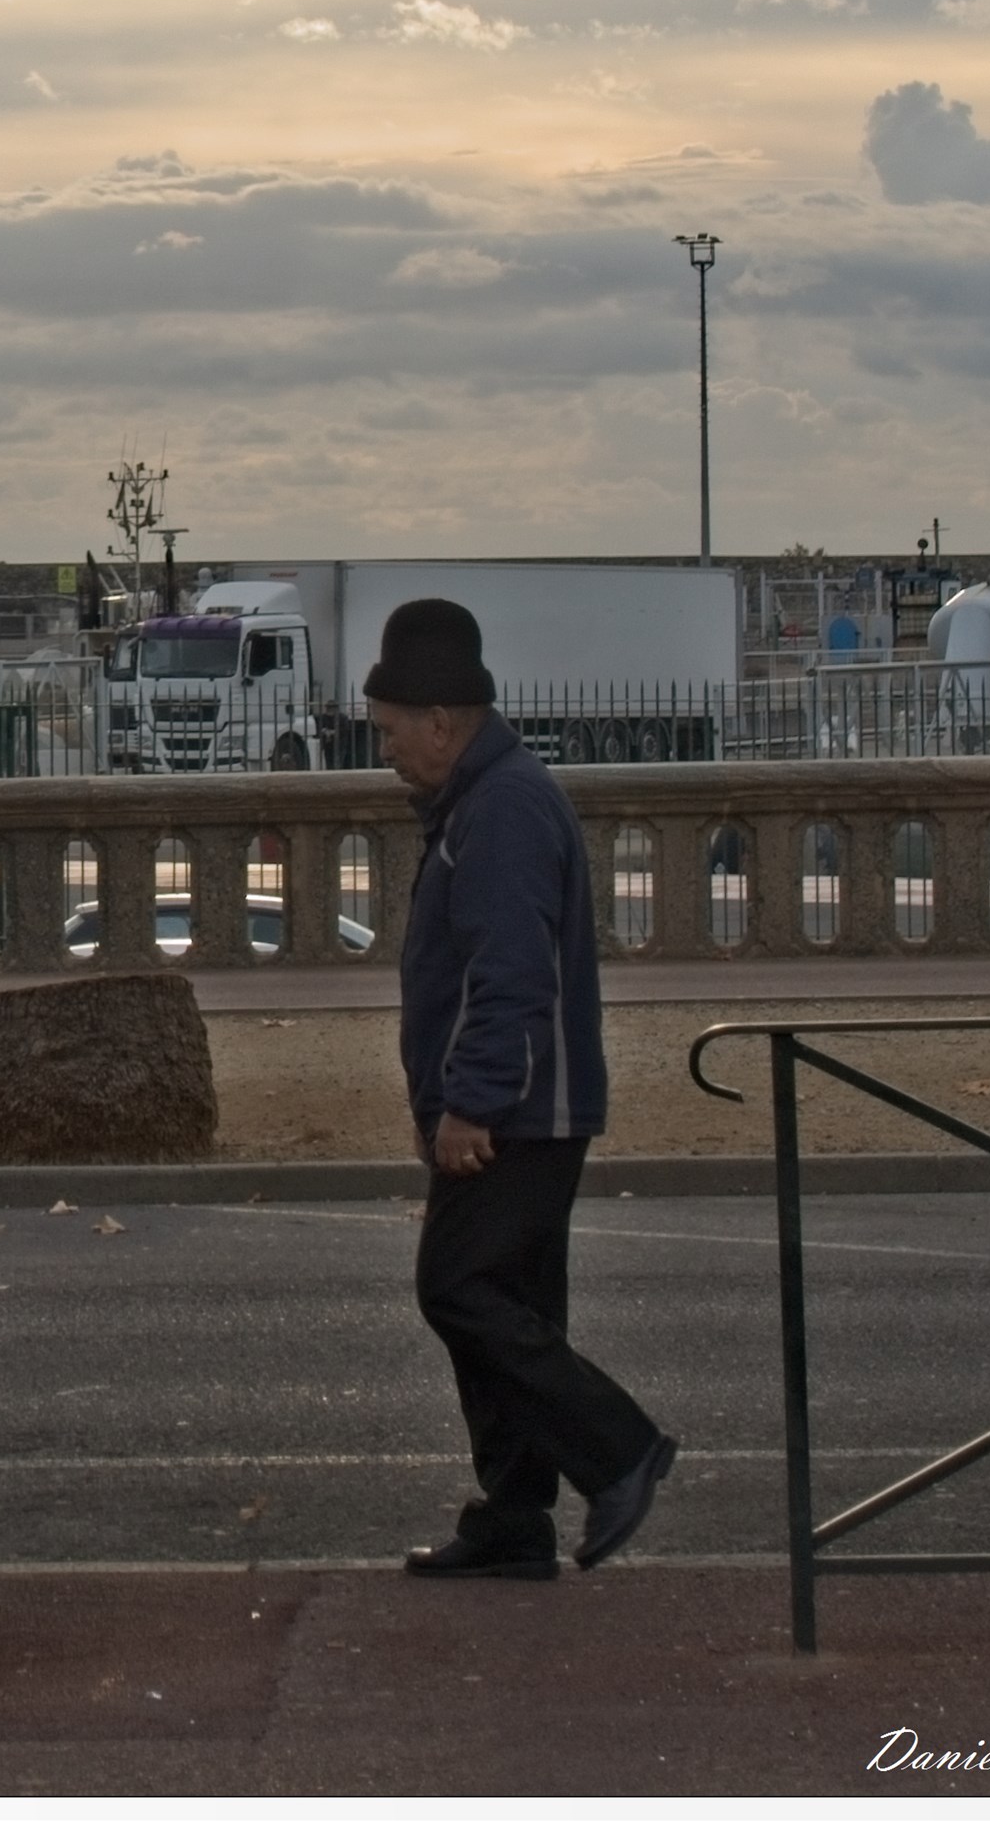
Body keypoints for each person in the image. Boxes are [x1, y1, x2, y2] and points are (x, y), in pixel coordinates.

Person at [366, 597, 676, 1579]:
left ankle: (619, 1449)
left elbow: (509, 977)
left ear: (441, 722)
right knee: (511, 1308)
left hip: (516, 1112)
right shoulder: (489, 799)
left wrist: (470, 1104)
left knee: (457, 1289)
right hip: (531, 1105)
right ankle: (514, 1517)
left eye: (390, 732)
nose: (386, 752)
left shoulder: (498, 810)